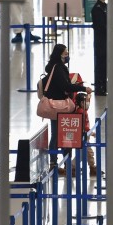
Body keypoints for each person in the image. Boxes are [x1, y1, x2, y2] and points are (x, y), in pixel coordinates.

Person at [43, 44, 94, 174]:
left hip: (54, 105)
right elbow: (66, 87)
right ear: (59, 54)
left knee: (58, 134)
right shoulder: (59, 68)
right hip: (60, 106)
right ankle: (63, 163)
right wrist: (83, 88)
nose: (67, 56)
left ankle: (56, 163)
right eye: (65, 54)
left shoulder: (53, 67)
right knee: (65, 134)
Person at [91, 0, 108, 96]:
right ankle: (99, 87)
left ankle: (104, 86)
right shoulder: (97, 9)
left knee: (105, 65)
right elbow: (101, 26)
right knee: (100, 65)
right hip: (100, 41)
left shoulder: (104, 7)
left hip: (106, 40)